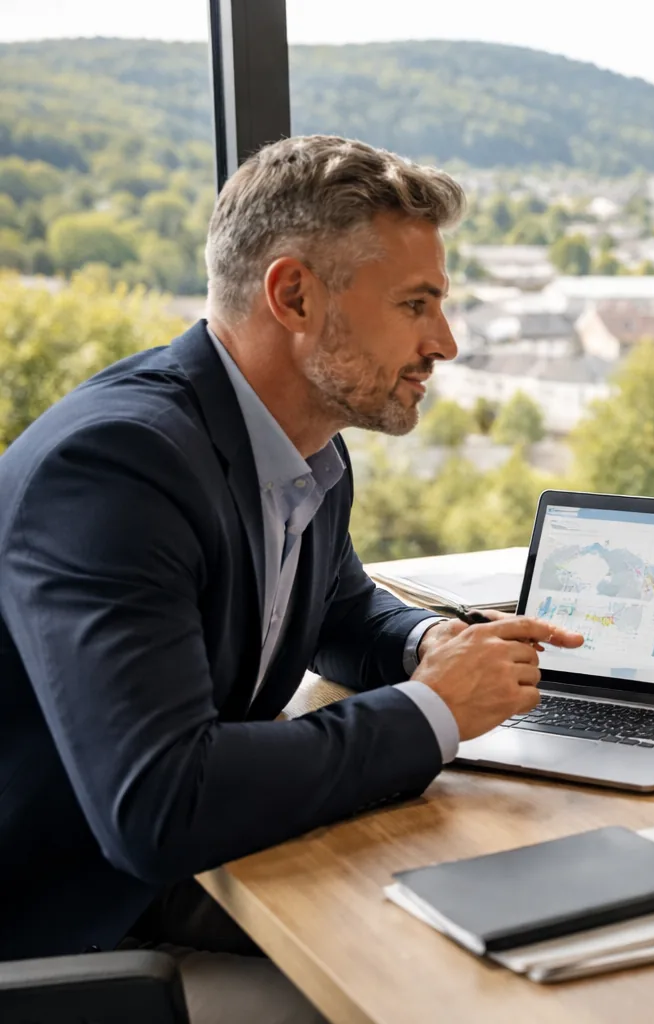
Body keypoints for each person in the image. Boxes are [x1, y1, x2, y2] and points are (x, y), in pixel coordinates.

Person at [0, 135, 582, 1019]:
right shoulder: (118, 467)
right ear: (294, 295)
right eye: (416, 303)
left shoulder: (302, 451)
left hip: (156, 890)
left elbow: (336, 610)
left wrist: (434, 643)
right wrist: (434, 710)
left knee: (502, 935)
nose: (446, 342)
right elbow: (161, 801)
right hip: (65, 933)